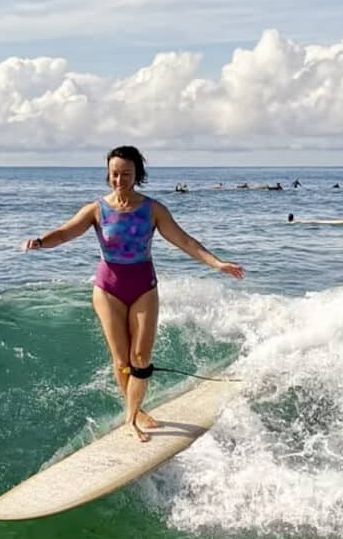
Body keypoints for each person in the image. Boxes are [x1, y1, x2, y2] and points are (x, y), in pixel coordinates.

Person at [23, 146, 245, 442]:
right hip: (108, 289)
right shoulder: (96, 210)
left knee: (140, 357)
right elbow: (65, 232)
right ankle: (133, 416)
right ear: (108, 174)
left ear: (137, 174)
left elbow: (185, 241)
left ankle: (134, 410)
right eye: (114, 173)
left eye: (126, 174)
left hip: (143, 287)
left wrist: (218, 264)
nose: (119, 179)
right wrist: (40, 241)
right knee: (121, 360)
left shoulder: (152, 209)